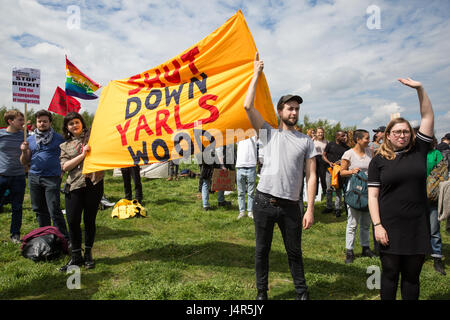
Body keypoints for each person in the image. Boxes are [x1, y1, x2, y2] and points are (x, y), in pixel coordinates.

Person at [244, 53, 317, 300]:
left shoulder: (307, 141)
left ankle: (301, 293)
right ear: (280, 111)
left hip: (291, 206)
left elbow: (312, 176)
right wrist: (256, 73)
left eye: (297, 108)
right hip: (264, 202)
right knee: (261, 251)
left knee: (294, 252)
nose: (294, 112)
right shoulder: (268, 133)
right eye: (290, 108)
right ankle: (262, 294)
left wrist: (309, 209)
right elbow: (247, 106)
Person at [368, 78, 434, 300]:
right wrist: (377, 226)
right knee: (389, 274)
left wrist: (420, 89)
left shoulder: (419, 151)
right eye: (397, 132)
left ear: (411, 134)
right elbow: (373, 196)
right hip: (389, 225)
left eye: (405, 132)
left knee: (412, 277)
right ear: (388, 135)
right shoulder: (378, 161)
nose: (402, 135)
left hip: (417, 225)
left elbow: (427, 117)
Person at [59, 112, 104, 272]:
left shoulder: (93, 136)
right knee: (72, 221)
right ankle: (76, 256)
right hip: (74, 185)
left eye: (77, 122)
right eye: (70, 124)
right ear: (67, 128)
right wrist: (82, 155)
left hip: (94, 183)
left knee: (89, 220)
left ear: (82, 123)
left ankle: (89, 254)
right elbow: (65, 167)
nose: (74, 125)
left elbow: (103, 123)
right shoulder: (64, 146)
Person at [20, 110, 69, 242]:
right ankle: (46, 235)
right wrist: (24, 151)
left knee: (53, 208)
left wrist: (62, 171)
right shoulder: (29, 139)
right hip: (34, 177)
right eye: (39, 121)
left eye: (45, 121)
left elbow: (65, 156)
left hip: (52, 177)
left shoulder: (59, 138)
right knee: (38, 208)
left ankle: (64, 237)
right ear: (36, 123)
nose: (42, 124)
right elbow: (24, 161)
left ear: (50, 122)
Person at [340, 129, 376, 264]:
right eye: (366, 138)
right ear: (358, 140)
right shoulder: (348, 154)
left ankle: (365, 247)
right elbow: (341, 172)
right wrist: (351, 171)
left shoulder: (369, 152)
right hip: (355, 191)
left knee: (366, 222)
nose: (369, 140)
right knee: (352, 223)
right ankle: (349, 251)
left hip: (368, 191)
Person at [0, 110, 26, 243]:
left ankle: (15, 235)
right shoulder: (1, 134)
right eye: (20, 120)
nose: (23, 122)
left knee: (17, 207)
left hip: (19, 177)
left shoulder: (25, 136)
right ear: (10, 121)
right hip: (2, 175)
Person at [426, 136, 446, 275]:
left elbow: (442, 173)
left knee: (434, 228)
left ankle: (437, 257)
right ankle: (419, 253)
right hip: (414, 197)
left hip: (432, 197)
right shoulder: (413, 154)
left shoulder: (436, 154)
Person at [322, 131, 349, 217]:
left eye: (344, 136)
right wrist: (329, 162)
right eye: (342, 136)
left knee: (338, 189)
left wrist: (341, 162)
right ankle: (329, 207)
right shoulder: (330, 144)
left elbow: (348, 160)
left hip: (339, 171)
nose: (344, 137)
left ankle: (338, 208)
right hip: (329, 170)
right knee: (329, 189)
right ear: (337, 137)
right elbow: (323, 155)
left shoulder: (346, 148)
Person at [199, 146, 232, 211]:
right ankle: (219, 201)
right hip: (212, 162)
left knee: (206, 182)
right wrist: (222, 165)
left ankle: (206, 205)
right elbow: (219, 151)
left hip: (206, 161)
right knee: (219, 181)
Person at [236, 136, 258, 220]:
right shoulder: (238, 134)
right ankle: (241, 212)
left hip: (251, 166)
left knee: (251, 192)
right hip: (240, 166)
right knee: (240, 192)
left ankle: (250, 211)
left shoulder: (254, 134)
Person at [313, 127, 328, 200]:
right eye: (319, 132)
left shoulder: (326, 141)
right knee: (315, 177)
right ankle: (315, 194)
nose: (320, 134)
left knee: (323, 177)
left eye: (322, 132)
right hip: (315, 159)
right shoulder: (313, 141)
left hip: (323, 160)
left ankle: (325, 192)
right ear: (316, 133)